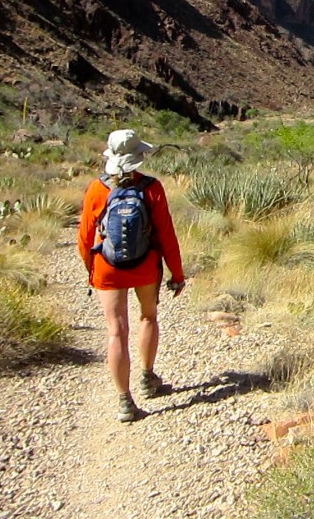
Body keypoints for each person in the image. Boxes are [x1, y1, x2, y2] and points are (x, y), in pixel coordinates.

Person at [77, 129, 186, 422]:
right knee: (148, 316)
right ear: (138, 157)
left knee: (116, 331)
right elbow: (166, 235)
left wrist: (92, 270)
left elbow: (85, 238)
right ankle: (148, 378)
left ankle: (125, 401)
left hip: (107, 268)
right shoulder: (152, 188)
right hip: (145, 265)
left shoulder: (96, 190)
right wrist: (177, 273)